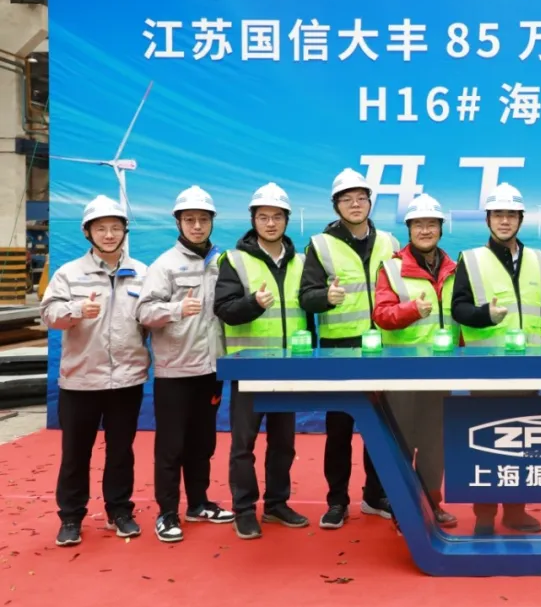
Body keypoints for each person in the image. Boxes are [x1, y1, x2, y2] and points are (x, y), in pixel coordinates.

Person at [42, 195, 149, 546]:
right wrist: (75, 310)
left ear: (125, 231)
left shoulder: (142, 273)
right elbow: (48, 315)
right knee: (76, 453)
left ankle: (120, 511)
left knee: (121, 451)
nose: (109, 234)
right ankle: (71, 517)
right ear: (87, 232)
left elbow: (150, 317)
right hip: (81, 381)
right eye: (101, 228)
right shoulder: (69, 273)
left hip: (127, 380)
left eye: (115, 227)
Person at [298, 167, 401, 530]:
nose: (355, 205)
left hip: (384, 347)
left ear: (370, 202)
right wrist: (326, 297)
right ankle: (337, 501)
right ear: (336, 205)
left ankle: (375, 495)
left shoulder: (389, 242)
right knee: (339, 429)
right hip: (339, 349)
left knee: (382, 428)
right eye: (347, 199)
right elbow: (306, 297)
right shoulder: (321, 244)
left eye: (361, 198)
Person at [451, 182, 541, 536]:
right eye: (498, 214)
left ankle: (516, 511)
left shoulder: (538, 259)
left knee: (525, 440)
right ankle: (484, 514)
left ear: (521, 219)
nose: (505, 221)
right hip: (487, 368)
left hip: (530, 367)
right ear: (488, 219)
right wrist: (485, 315)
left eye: (511, 215)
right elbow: (458, 309)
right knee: (487, 441)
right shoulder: (471, 259)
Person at [137, 186, 235, 544]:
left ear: (212, 222)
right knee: (171, 446)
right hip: (175, 370)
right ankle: (167, 513)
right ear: (178, 222)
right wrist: (177, 309)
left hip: (211, 369)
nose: (197, 226)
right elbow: (144, 312)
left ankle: (198, 503)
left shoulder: (223, 262)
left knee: (203, 442)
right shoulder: (164, 265)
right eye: (190, 219)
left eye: (203, 219)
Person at [214, 182, 311, 539]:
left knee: (284, 443)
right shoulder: (234, 260)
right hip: (249, 367)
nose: (270, 223)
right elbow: (224, 309)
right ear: (253, 220)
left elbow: (309, 308)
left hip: (288, 367)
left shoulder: (301, 262)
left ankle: (276, 504)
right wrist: (253, 303)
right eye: (263, 217)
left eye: (277, 217)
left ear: (287, 220)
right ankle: (243, 509)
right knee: (244, 445)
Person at [372, 193, 457, 528]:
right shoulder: (391, 269)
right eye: (418, 224)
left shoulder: (453, 268)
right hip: (403, 373)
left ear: (441, 228)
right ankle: (403, 509)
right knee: (402, 443)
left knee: (435, 445)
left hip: (441, 372)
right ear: (408, 229)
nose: (425, 230)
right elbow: (381, 315)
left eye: (431, 224)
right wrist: (411, 311)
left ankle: (432, 505)